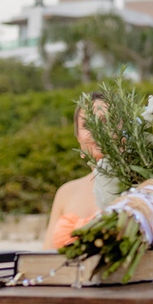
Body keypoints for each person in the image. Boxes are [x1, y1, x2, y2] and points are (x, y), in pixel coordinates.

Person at [43, 93, 106, 249]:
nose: (96, 131)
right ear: (78, 137)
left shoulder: (139, 186)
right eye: (86, 125)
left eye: (105, 121)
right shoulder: (66, 192)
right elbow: (45, 257)